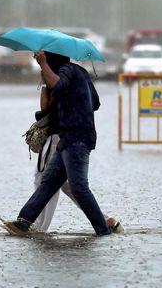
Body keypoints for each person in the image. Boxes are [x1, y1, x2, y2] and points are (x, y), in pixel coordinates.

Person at [1, 50, 117, 236]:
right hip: (69, 137)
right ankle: (23, 222)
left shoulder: (67, 71)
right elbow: (94, 102)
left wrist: (43, 64)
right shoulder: (79, 73)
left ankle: (104, 229)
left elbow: (58, 84)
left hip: (77, 137)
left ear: (52, 59)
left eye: (47, 59)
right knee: (48, 182)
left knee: (78, 187)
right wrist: (63, 94)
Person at [31, 83, 122, 233]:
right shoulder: (72, 77)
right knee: (66, 184)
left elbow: (45, 107)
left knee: (45, 179)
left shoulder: (56, 78)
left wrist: (44, 84)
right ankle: (105, 220)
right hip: (67, 135)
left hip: (58, 135)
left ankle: (39, 226)